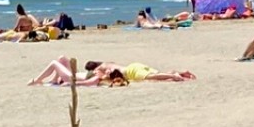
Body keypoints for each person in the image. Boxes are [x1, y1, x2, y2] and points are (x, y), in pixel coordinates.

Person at [29, 56, 194, 85]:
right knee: (61, 58)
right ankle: (178, 72)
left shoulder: (100, 71)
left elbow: (91, 81)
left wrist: (71, 85)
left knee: (152, 76)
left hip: (131, 71)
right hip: (134, 65)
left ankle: (37, 80)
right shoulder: (108, 64)